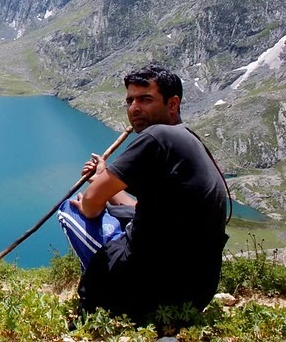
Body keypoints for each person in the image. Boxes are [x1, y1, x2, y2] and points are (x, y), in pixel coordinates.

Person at [57, 64, 229, 323]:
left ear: (172, 104)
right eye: (130, 100)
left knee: (69, 211)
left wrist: (91, 201)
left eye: (145, 99)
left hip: (148, 292)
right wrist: (105, 177)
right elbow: (143, 208)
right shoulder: (187, 140)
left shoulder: (157, 136)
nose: (134, 108)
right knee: (125, 213)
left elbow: (91, 202)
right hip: (195, 291)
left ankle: (102, 299)